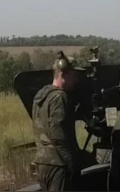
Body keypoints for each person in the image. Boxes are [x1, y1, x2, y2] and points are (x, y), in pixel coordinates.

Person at [32, 51, 85, 191]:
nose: (76, 80)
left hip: (42, 163)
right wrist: (72, 164)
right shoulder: (60, 97)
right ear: (63, 75)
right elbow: (58, 137)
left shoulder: (41, 95)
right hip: (58, 164)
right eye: (74, 76)